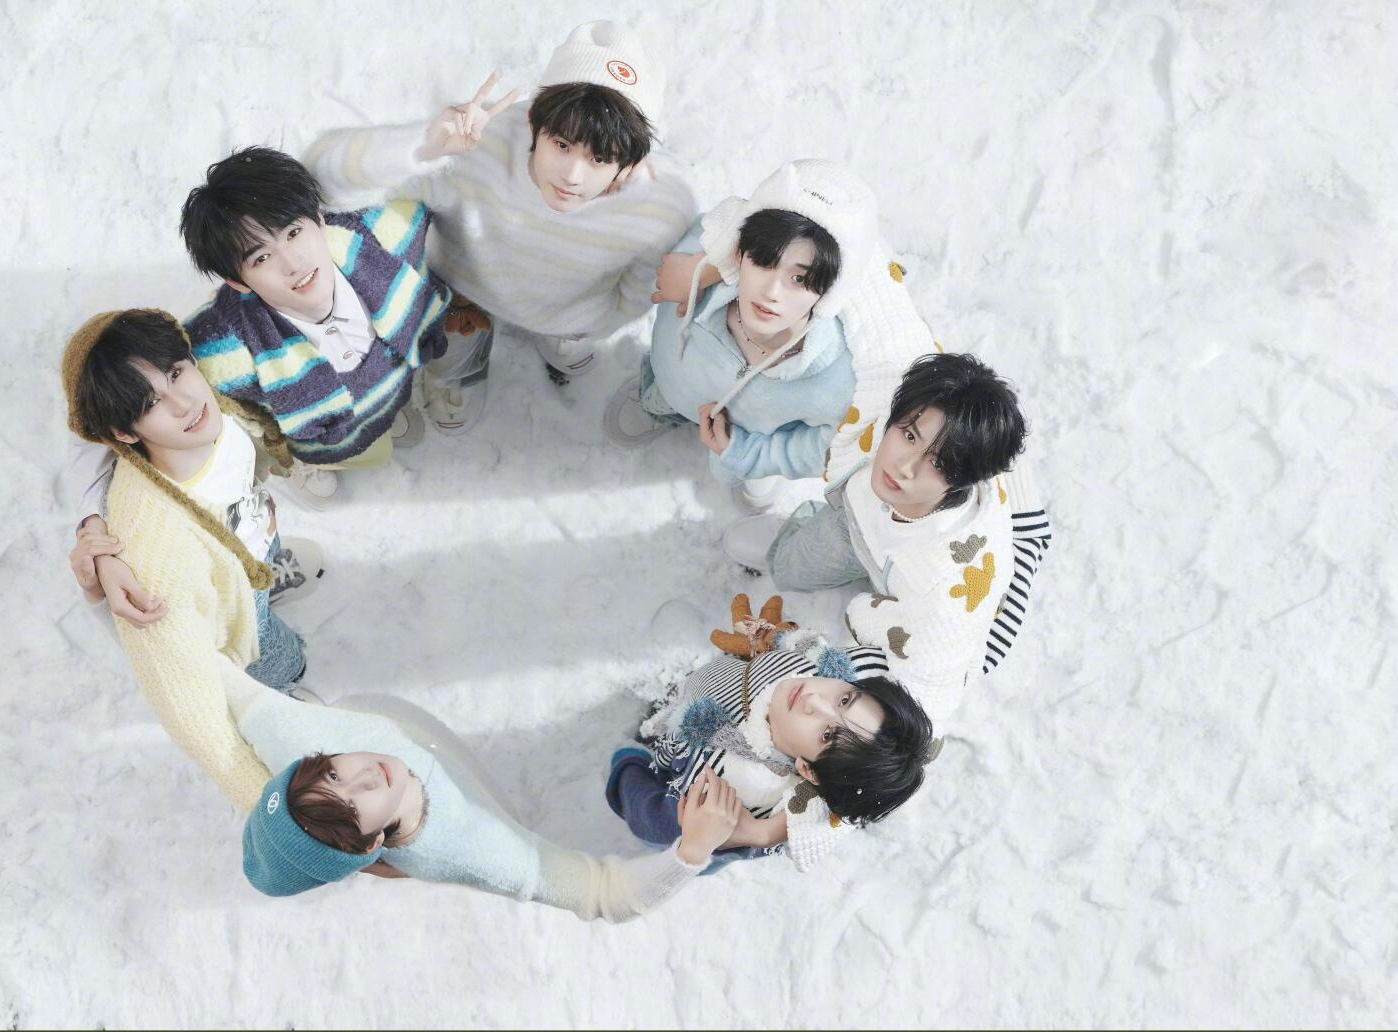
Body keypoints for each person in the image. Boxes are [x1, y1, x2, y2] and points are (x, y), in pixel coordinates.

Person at [67, 147, 452, 624]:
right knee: (351, 448)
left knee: (385, 422)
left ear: (318, 218)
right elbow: (105, 417)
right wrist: (94, 529)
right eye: (262, 256)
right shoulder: (221, 346)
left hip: (394, 385)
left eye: (294, 233)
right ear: (239, 281)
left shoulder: (380, 234)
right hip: (318, 436)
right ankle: (314, 462)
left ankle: (383, 416)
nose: (293, 263)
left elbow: (449, 194)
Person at [306, 20, 696, 433]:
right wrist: (423, 146)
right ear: (534, 123)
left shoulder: (657, 210)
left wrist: (595, 323)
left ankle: (560, 333)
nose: (573, 175)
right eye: (562, 145)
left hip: (567, 310)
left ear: (630, 162)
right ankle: (463, 362)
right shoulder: (478, 145)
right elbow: (324, 178)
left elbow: (639, 291)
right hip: (463, 291)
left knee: (572, 320)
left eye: (599, 158)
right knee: (450, 342)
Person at [227, 673, 740, 922]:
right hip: (481, 803)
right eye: (354, 806)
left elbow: (203, 675)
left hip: (396, 724)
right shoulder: (477, 849)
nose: (365, 775)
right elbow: (607, 895)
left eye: (333, 772)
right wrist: (691, 852)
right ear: (370, 846)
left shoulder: (293, 737)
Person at [61, 308, 310, 810]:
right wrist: (259, 797)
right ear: (124, 434)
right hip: (231, 604)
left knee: (263, 556)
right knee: (272, 652)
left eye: (176, 373)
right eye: (151, 403)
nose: (184, 402)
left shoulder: (211, 408)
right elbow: (179, 688)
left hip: (247, 547)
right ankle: (285, 685)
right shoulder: (156, 542)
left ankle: (267, 571)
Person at [725, 353, 1030, 724]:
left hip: (908, 586)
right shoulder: (898, 401)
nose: (905, 466)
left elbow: (931, 696)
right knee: (793, 566)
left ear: (964, 479)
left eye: (938, 463)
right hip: (858, 519)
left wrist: (863, 616)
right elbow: (879, 323)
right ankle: (787, 549)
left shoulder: (942, 591)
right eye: (910, 436)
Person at [603, 160, 869, 511]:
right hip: (676, 388)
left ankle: (755, 475)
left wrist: (749, 453)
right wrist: (697, 269)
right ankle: (659, 405)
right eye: (764, 261)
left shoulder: (839, 380)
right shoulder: (700, 266)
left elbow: (828, 445)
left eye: (800, 279)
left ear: (829, 291)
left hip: (756, 437)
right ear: (739, 253)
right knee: (665, 394)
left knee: (752, 472)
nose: (771, 292)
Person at [606, 595, 935, 872]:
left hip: (692, 799)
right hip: (721, 684)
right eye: (845, 699)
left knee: (659, 818)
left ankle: (634, 758)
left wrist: (633, 767)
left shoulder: (731, 785)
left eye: (827, 735)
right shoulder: (841, 668)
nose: (814, 700)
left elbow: (663, 822)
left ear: (807, 769)